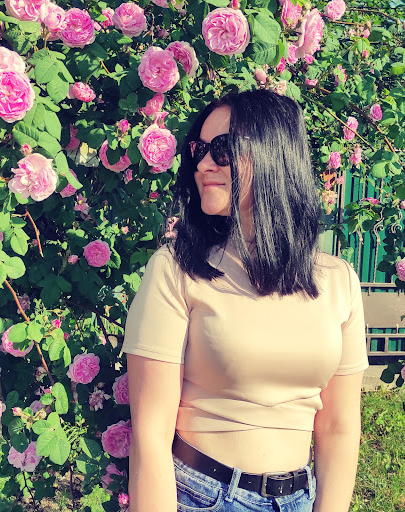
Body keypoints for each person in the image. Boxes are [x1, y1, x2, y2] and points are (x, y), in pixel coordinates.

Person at [122, 89, 369, 512]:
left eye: (222, 149)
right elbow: (150, 435)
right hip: (203, 497)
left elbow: (339, 427)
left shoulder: (338, 281)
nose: (204, 164)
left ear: (275, 155)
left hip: (299, 499)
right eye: (199, 150)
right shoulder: (177, 269)